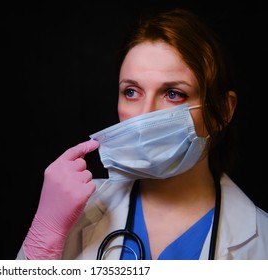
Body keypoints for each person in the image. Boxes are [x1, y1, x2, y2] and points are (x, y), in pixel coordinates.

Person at [16, 8, 268, 260]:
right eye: (131, 92)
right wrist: (43, 243)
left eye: (173, 94)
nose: (145, 115)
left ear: (223, 110)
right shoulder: (75, 214)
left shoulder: (260, 241)